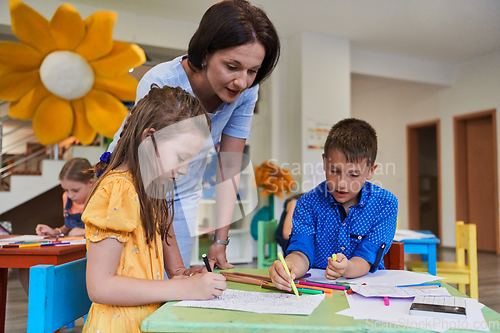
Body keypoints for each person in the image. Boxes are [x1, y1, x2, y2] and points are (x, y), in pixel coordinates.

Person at [109, 0, 280, 270]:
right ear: (205, 52)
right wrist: (177, 272)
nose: (242, 82)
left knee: (175, 283)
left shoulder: (246, 91)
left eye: (253, 71)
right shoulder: (163, 80)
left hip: (185, 185)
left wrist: (220, 241)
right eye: (232, 67)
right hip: (138, 182)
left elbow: (229, 165)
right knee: (143, 272)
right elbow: (153, 180)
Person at [82, 85, 226, 333]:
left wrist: (190, 276)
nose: (183, 171)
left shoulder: (154, 193)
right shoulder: (118, 190)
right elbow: (100, 287)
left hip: (149, 320)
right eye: (181, 157)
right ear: (149, 138)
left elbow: (177, 271)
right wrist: (185, 288)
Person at [269, 118, 398, 291]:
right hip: (317, 293)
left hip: (366, 293)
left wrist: (347, 268)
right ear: (324, 162)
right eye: (334, 171)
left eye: (353, 174)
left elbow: (366, 258)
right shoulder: (307, 203)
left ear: (370, 171)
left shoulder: (385, 204)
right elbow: (301, 252)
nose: (342, 183)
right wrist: (290, 267)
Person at [18, 158, 93, 294]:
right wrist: (56, 231)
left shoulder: (101, 198)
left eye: (75, 190)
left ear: (91, 182)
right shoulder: (67, 198)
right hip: (71, 248)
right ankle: (40, 308)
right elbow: (69, 227)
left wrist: (84, 231)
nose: (70, 195)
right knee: (25, 268)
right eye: (66, 190)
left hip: (91, 253)